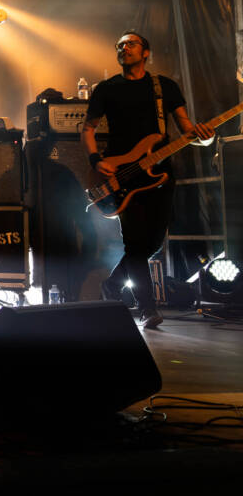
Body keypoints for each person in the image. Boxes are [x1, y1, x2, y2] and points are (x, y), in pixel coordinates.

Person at [82, 30, 214, 328]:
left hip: (159, 176)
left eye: (130, 43)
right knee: (134, 244)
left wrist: (206, 137)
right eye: (119, 45)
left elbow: (188, 131)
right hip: (122, 175)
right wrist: (95, 160)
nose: (124, 48)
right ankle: (146, 307)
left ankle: (112, 284)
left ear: (145, 52)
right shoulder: (106, 89)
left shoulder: (164, 86)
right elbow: (88, 129)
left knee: (151, 243)